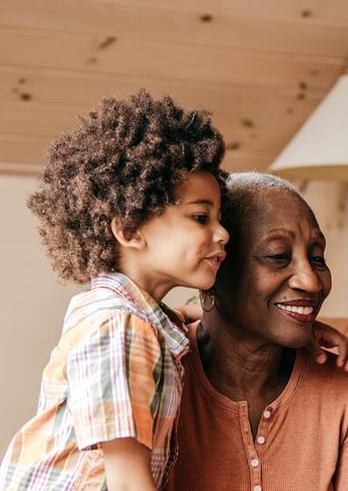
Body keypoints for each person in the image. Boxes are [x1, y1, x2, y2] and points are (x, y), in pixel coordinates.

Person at [0, 89, 230, 490]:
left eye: (219, 218)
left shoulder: (131, 316)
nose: (222, 233)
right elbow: (127, 481)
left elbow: (188, 320)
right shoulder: (119, 327)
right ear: (128, 230)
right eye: (200, 217)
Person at [166, 172, 348, 491]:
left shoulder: (347, 389)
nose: (311, 282)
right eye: (278, 257)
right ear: (216, 266)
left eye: (317, 258)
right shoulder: (159, 371)